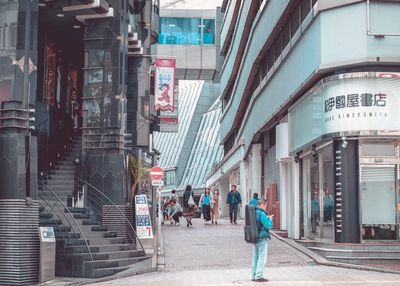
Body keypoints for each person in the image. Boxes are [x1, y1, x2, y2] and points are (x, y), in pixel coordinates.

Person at [251, 199, 273, 282]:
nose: (265, 207)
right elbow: (267, 226)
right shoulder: (262, 213)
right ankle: (259, 276)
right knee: (262, 258)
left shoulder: (254, 212)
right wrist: (270, 219)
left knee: (255, 257)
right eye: (266, 205)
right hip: (261, 238)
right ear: (263, 204)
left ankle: (254, 275)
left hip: (254, 237)